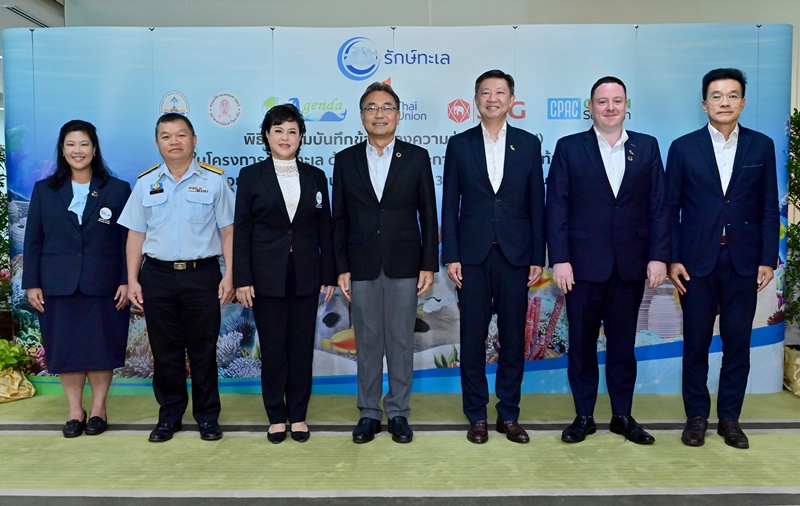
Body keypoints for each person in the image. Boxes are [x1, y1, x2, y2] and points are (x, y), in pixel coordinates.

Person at [546, 76, 670, 445]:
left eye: (617, 100)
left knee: (622, 347)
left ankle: (622, 416)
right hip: (581, 267)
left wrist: (658, 256)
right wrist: (560, 259)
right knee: (582, 345)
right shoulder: (569, 148)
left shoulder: (647, 147)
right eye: (602, 101)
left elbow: (659, 207)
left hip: (631, 265)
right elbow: (557, 207)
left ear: (627, 105)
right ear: (591, 107)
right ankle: (584, 416)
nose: (610, 107)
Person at [666, 68, 779, 449]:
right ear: (704, 104)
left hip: (743, 262)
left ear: (743, 102)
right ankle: (696, 418)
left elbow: (768, 207)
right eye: (717, 96)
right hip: (695, 263)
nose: (725, 102)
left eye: (732, 95)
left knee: (737, 345)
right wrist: (673, 259)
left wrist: (768, 258)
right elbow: (670, 209)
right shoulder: (683, 147)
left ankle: (730, 419)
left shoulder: (761, 146)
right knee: (695, 345)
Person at [441, 69, 545, 444]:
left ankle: (509, 414)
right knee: (472, 338)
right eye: (485, 93)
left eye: (500, 93)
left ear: (512, 100)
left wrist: (537, 256)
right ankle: (477, 415)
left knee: (513, 339)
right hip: (471, 256)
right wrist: (451, 254)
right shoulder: (460, 144)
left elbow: (537, 203)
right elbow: (449, 203)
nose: (492, 99)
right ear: (476, 100)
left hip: (516, 256)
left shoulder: (528, 144)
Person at [118, 113, 235, 443]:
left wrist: (230, 275)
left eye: (181, 135)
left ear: (194, 140)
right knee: (164, 351)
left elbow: (229, 232)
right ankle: (169, 416)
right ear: (157, 143)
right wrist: (133, 280)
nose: (174, 141)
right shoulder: (145, 183)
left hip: (202, 275)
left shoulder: (215, 180)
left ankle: (207, 417)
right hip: (157, 276)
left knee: (203, 350)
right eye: (166, 136)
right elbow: (136, 235)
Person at [332, 82, 438, 444]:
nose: (380, 114)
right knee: (367, 340)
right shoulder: (345, 160)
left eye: (387, 107)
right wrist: (341, 266)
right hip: (360, 264)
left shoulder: (417, 157)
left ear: (398, 115)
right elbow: (339, 218)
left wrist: (428, 263)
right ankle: (368, 412)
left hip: (405, 263)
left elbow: (428, 212)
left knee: (400, 341)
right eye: (372, 107)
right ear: (362, 115)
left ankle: (398, 412)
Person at [233, 104, 335, 444]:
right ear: (267, 136)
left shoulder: (315, 176)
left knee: (301, 348)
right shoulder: (251, 176)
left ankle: (299, 415)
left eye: (292, 131)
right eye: (278, 130)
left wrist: (329, 274)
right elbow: (242, 231)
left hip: (306, 275)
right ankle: (277, 416)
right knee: (274, 348)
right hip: (266, 277)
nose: (285, 137)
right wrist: (242, 278)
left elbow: (325, 230)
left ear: (301, 137)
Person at [23, 119, 131, 438]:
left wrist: (127, 280)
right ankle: (74, 411)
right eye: (71, 144)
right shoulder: (44, 190)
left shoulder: (117, 189)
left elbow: (128, 240)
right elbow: (33, 240)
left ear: (94, 149)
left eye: (84, 144)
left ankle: (98, 409)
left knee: (100, 346)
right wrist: (31, 282)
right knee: (66, 347)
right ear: (62, 149)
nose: (77, 150)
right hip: (57, 284)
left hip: (104, 283)